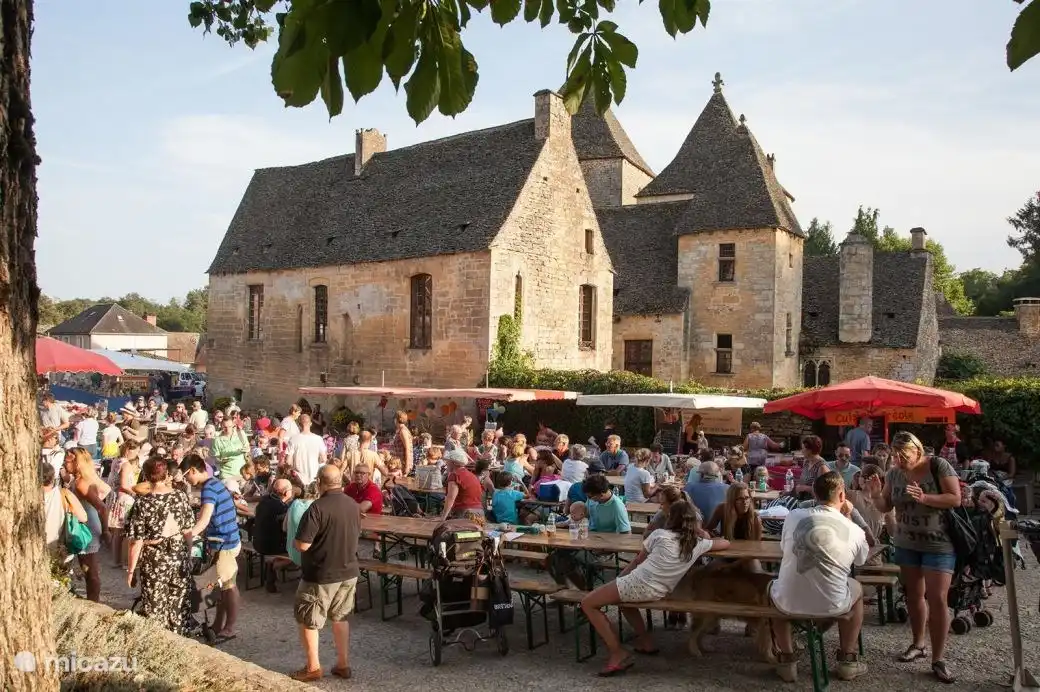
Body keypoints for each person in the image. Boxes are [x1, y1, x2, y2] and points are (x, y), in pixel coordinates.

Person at [580, 501, 728, 676]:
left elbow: (637, 561)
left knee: (588, 603)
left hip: (639, 583)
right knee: (624, 602)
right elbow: (726, 543)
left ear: (671, 518)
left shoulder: (659, 534)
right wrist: (704, 535)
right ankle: (646, 642)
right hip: (659, 590)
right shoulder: (698, 543)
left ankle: (617, 653)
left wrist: (620, 578)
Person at [869, 431, 961, 683]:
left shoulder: (937, 465)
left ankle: (938, 658)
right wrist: (876, 494)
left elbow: (955, 498)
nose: (899, 460)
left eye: (904, 456)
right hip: (907, 542)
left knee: (938, 597)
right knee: (913, 595)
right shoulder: (894, 473)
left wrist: (925, 497)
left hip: (938, 542)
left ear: (917, 451)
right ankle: (918, 643)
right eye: (895, 456)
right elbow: (886, 506)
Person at [769, 471, 869, 683]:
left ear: (814, 494)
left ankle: (787, 660)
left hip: (788, 602)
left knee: (774, 589)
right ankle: (848, 659)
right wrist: (849, 516)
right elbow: (861, 561)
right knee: (857, 588)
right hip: (833, 605)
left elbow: (783, 547)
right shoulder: (855, 530)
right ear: (842, 496)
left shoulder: (794, 516)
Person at [291, 465, 361, 682]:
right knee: (340, 617)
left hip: (321, 573)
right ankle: (343, 664)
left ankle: (313, 667)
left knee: (309, 619)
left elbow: (302, 545)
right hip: (349, 570)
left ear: (320, 482)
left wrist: (295, 539)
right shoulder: (353, 504)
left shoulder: (317, 508)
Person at [124, 458, 196, 633]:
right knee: (179, 605)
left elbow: (136, 541)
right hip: (178, 555)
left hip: (154, 559)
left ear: (147, 476)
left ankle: (161, 645)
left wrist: (131, 570)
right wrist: (188, 555)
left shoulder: (143, 503)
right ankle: (180, 643)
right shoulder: (180, 496)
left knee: (155, 607)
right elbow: (188, 531)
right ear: (167, 475)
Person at [182, 453, 242, 642]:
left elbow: (204, 518)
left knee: (229, 586)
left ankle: (230, 628)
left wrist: (188, 536)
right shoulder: (215, 483)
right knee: (222, 586)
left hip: (224, 542)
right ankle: (218, 624)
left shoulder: (208, 488)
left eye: (186, 476)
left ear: (192, 470)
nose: (187, 480)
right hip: (228, 540)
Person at [64, 447, 110, 602]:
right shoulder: (83, 479)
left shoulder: (81, 483)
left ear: (77, 463)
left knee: (90, 571)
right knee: (88, 569)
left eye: (68, 460)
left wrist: (106, 531)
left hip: (87, 527)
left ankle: (93, 603)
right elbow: (106, 491)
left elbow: (102, 507)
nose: (65, 462)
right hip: (88, 524)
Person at [254, 478, 294, 593]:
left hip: (257, 542)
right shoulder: (281, 507)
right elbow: (288, 527)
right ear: (286, 493)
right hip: (272, 546)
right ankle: (275, 565)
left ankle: (272, 569)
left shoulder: (264, 500)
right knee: (301, 549)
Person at [41, 460, 87, 560]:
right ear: (53, 477)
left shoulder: (27, 498)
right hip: (61, 550)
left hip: (36, 552)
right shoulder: (64, 494)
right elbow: (83, 517)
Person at [107, 439, 142, 568]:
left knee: (117, 532)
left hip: (116, 497)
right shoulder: (126, 464)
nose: (137, 453)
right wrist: (136, 492)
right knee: (123, 532)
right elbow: (124, 485)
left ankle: (116, 560)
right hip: (124, 499)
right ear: (128, 450)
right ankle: (125, 560)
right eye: (136, 450)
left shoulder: (116, 461)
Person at [439, 449, 485, 522]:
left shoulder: (455, 475)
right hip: (479, 514)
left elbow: (450, 498)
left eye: (448, 461)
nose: (446, 463)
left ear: (454, 463)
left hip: (465, 514)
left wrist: (442, 518)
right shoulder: (472, 475)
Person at [286, 414, 328, 487]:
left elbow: (288, 461)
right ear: (310, 423)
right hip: (314, 478)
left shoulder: (293, 439)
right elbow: (323, 459)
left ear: (299, 424)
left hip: (298, 479)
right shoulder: (318, 439)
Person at [212, 415, 250, 481]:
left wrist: (247, 451)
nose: (227, 429)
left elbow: (247, 449)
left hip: (242, 474)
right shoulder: (217, 440)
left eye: (229, 426)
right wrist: (221, 461)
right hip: (226, 475)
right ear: (221, 426)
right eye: (225, 427)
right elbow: (215, 459)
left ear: (233, 424)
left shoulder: (241, 434)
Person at [794, 436, 827, 500]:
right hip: (801, 499)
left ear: (810, 450)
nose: (801, 451)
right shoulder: (806, 462)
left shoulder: (822, 467)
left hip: (814, 503)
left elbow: (823, 492)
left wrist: (805, 488)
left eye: (803, 448)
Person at [390, 411, 413, 476]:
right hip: (399, 462)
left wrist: (407, 466)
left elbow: (408, 448)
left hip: (403, 463)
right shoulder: (400, 429)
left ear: (396, 419)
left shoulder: (403, 431)